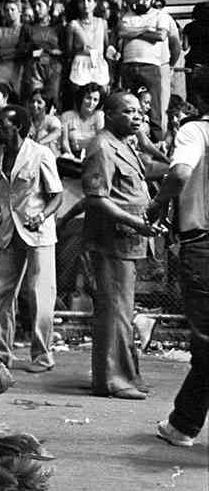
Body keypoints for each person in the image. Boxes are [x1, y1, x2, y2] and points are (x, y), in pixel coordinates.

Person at [81, 92, 166, 400]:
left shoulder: (123, 143)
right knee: (114, 309)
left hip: (127, 241)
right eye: (128, 111)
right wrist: (136, 223)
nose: (137, 116)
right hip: (112, 240)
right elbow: (97, 197)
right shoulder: (102, 146)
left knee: (122, 309)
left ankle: (127, 373)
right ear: (109, 114)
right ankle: (112, 380)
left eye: (139, 111)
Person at [147, 67, 209, 447]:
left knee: (206, 343)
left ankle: (183, 424)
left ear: (198, 100)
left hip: (203, 245)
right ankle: (182, 422)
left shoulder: (194, 129)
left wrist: (157, 204)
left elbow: (181, 173)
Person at [0, 105, 63, 373]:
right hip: (9, 231)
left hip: (38, 233)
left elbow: (57, 196)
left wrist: (43, 216)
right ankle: (1, 353)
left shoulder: (40, 155)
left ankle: (42, 355)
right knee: (3, 293)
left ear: (18, 127)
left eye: (3, 123)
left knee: (39, 294)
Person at [116, 0, 181, 132]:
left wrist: (133, 32)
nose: (140, 2)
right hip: (129, 66)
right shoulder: (127, 15)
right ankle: (131, 139)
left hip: (151, 67)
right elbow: (122, 33)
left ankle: (156, 141)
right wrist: (146, 29)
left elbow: (160, 36)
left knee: (154, 107)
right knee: (128, 106)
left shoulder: (161, 16)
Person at [66, 0, 110, 95]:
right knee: (79, 97)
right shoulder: (73, 25)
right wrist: (80, 50)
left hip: (98, 63)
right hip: (80, 64)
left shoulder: (102, 23)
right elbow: (68, 51)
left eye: (89, 0)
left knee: (101, 96)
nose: (86, 4)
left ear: (95, 4)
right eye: (82, 1)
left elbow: (107, 46)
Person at [60, 83, 105, 158]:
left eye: (95, 100)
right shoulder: (67, 116)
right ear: (81, 98)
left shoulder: (99, 115)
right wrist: (71, 156)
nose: (91, 103)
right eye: (88, 98)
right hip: (72, 155)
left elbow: (101, 140)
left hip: (92, 156)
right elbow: (64, 141)